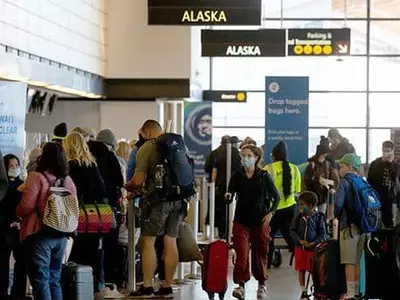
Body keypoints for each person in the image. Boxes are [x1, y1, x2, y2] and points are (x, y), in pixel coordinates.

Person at [127, 119, 186, 299]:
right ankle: (167, 286)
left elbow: (137, 180)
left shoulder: (147, 147)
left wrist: (128, 186)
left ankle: (147, 286)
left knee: (148, 242)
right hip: (179, 199)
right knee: (170, 241)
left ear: (146, 133)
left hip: (159, 201)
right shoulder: (178, 144)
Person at [17, 142, 77, 300]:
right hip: (61, 234)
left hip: (40, 232)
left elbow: (27, 205)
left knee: (41, 280)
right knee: (54, 278)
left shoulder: (36, 177)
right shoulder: (68, 180)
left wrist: (17, 213)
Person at [226, 145, 280, 299]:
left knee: (260, 252)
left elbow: (276, 196)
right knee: (241, 253)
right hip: (241, 220)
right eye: (243, 155)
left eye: (249, 155)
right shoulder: (237, 175)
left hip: (260, 220)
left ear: (256, 158)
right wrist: (228, 196)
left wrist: (271, 213)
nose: (245, 158)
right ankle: (241, 285)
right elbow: (230, 191)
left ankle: (262, 284)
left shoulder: (263, 176)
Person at [63, 132, 109, 297]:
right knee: (93, 251)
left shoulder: (68, 167)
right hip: (96, 217)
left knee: (75, 252)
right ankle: (95, 285)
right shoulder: (92, 165)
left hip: (78, 215)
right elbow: (102, 190)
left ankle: (76, 286)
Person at [264, 141, 301, 268]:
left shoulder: (267, 169)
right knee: (291, 235)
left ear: (273, 156)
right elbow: (297, 190)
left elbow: (263, 191)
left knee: (268, 236)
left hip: (272, 209)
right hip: (290, 208)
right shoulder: (295, 169)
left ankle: (267, 263)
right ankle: (299, 261)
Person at [335, 153, 366, 300]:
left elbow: (339, 205)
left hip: (349, 227)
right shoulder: (362, 181)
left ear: (349, 166)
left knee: (348, 261)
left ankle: (350, 293)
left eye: (342, 165)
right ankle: (357, 291)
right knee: (357, 261)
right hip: (363, 227)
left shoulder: (344, 182)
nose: (339, 168)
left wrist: (336, 217)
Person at [290, 191, 327, 300]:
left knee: (314, 271)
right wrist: (299, 240)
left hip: (313, 250)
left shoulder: (319, 217)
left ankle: (316, 290)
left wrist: (315, 242)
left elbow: (323, 234)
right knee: (301, 270)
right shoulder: (297, 217)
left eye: (302, 204)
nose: (300, 207)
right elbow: (292, 231)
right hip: (300, 249)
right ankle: (304, 291)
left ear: (311, 206)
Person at [0, 154, 27, 299]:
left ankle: (18, 294)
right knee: (2, 264)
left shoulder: (23, 185)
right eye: (11, 166)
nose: (15, 168)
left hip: (18, 230)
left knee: (20, 264)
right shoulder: (2, 187)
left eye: (17, 165)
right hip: (4, 229)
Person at [211, 136, 242, 239]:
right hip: (236, 186)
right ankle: (232, 233)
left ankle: (223, 233)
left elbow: (214, 170)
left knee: (222, 209)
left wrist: (213, 184)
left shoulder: (219, 154)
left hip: (221, 185)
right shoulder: (238, 155)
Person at [367, 140, 400, 228]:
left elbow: (395, 180)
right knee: (374, 220)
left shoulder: (395, 166)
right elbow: (369, 179)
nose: (385, 153)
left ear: (392, 151)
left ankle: (389, 240)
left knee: (388, 221)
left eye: (388, 151)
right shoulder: (375, 163)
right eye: (384, 150)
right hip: (375, 196)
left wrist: (390, 164)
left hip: (389, 198)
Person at [303, 144, 340, 215]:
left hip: (323, 197)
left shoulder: (328, 164)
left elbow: (335, 181)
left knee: (321, 217)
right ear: (322, 153)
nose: (326, 154)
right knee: (310, 217)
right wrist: (318, 181)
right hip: (312, 197)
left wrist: (333, 187)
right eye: (325, 153)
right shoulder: (312, 165)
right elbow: (306, 181)